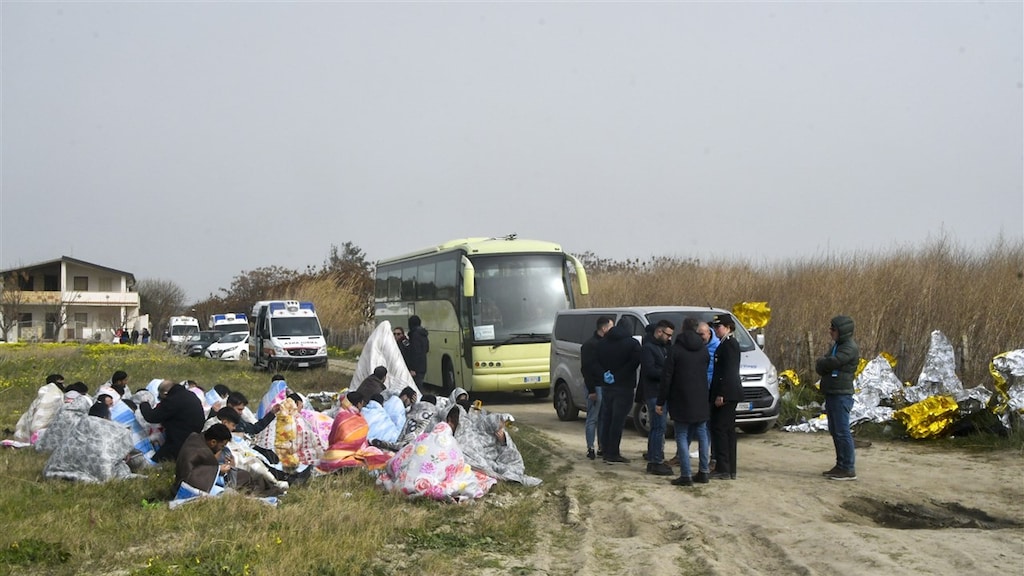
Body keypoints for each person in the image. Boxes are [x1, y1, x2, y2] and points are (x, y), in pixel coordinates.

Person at [658, 317, 712, 486]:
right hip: (701, 397)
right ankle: (704, 471)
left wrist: (661, 401)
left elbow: (667, 377)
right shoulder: (703, 350)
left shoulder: (675, 350)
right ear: (697, 329)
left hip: (681, 398)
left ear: (682, 328)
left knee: (681, 435)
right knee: (702, 434)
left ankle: (686, 475)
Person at [815, 315, 860, 481]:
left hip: (842, 394)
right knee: (835, 431)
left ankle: (848, 467)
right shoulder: (837, 346)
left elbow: (831, 363)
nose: (830, 332)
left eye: (833, 329)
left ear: (842, 331)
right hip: (833, 393)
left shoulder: (849, 348)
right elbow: (822, 365)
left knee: (842, 432)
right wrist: (823, 363)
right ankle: (840, 465)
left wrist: (824, 362)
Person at [597, 319, 641, 464]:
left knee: (607, 418)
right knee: (618, 420)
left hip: (607, 385)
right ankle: (613, 452)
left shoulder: (603, 342)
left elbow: (597, 360)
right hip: (624, 386)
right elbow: (634, 363)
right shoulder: (632, 344)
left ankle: (604, 449)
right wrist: (618, 376)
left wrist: (607, 374)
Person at [708, 314, 742, 480]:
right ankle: (728, 468)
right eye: (714, 327)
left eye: (718, 327)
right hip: (728, 392)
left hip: (727, 393)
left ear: (728, 327)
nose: (716, 330)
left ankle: (724, 467)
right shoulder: (725, 344)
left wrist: (722, 393)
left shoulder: (729, 345)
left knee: (721, 429)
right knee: (725, 430)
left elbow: (727, 372)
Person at [139, 379, 206, 462]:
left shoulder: (173, 399)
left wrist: (144, 403)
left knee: (155, 462)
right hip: (193, 436)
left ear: (165, 393)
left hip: (179, 441)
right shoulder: (189, 395)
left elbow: (152, 417)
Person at [641, 319, 674, 476]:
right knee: (658, 427)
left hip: (663, 392)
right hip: (654, 392)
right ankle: (656, 460)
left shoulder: (665, 348)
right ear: (659, 332)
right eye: (668, 335)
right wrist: (667, 373)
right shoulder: (648, 348)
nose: (670, 338)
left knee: (657, 427)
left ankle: (654, 459)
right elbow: (649, 371)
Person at [580, 316, 613, 460]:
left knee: (603, 418)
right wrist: (592, 389)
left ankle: (602, 446)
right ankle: (590, 447)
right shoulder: (589, 345)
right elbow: (586, 369)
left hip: (604, 385)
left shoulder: (606, 344)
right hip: (594, 386)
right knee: (592, 418)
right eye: (611, 327)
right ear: (604, 328)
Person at [405, 316, 429, 387]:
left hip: (416, 369)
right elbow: (426, 349)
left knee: (415, 388)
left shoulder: (415, 335)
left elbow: (415, 352)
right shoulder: (423, 334)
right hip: (423, 366)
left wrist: (413, 368)